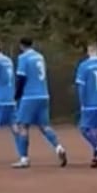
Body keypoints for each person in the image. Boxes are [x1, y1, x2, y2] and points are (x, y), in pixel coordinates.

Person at [12, 37, 67, 169]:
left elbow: (21, 78)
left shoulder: (23, 58)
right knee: (44, 126)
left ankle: (24, 158)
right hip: (43, 95)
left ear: (21, 46)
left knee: (22, 126)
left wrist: (16, 95)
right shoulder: (40, 57)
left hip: (30, 96)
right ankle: (58, 147)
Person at [74, 41, 97, 167]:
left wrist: (82, 102)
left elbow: (81, 87)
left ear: (88, 51)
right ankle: (96, 157)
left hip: (91, 101)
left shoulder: (84, 66)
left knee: (84, 128)